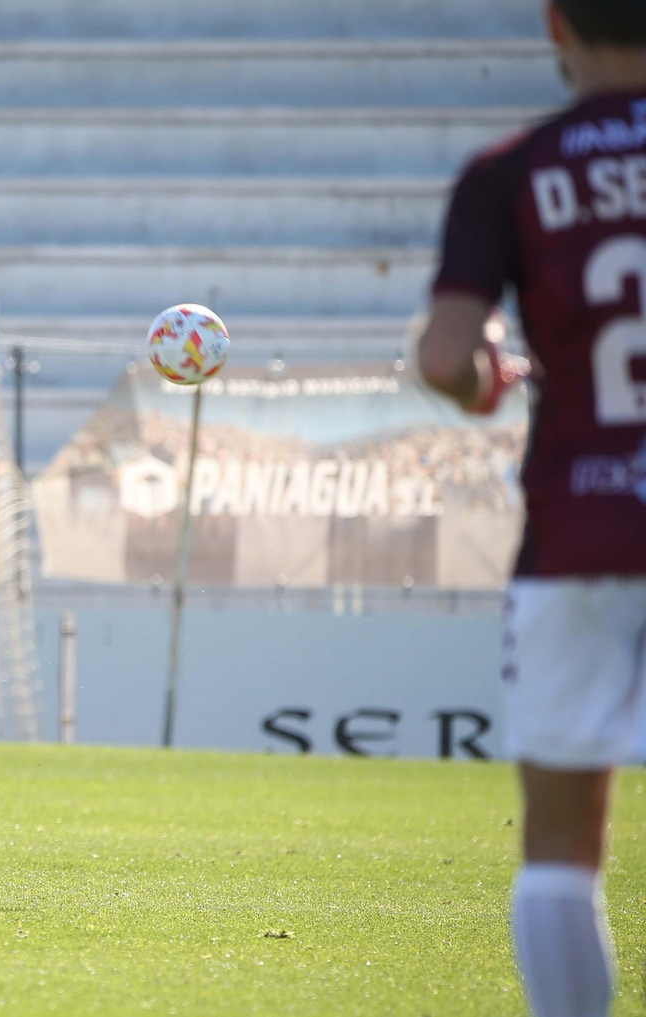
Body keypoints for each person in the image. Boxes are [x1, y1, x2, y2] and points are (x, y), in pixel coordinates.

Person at [417, 3, 646, 1014]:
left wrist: (486, 381)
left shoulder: (508, 173)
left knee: (560, 846)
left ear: (555, 22)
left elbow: (443, 361)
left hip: (578, 530)